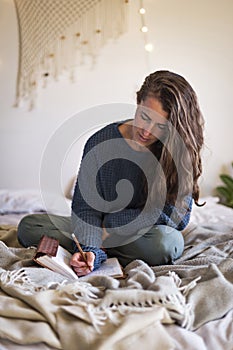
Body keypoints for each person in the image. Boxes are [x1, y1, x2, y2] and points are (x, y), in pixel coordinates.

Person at [18, 70, 204, 277]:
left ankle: (94, 244)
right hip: (99, 227)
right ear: (137, 102)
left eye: (160, 126)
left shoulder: (178, 151)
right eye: (144, 117)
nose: (146, 130)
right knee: (30, 227)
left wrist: (110, 227)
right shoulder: (101, 142)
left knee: (166, 243)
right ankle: (99, 250)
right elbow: (85, 208)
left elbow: (177, 217)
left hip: (143, 233)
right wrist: (92, 249)